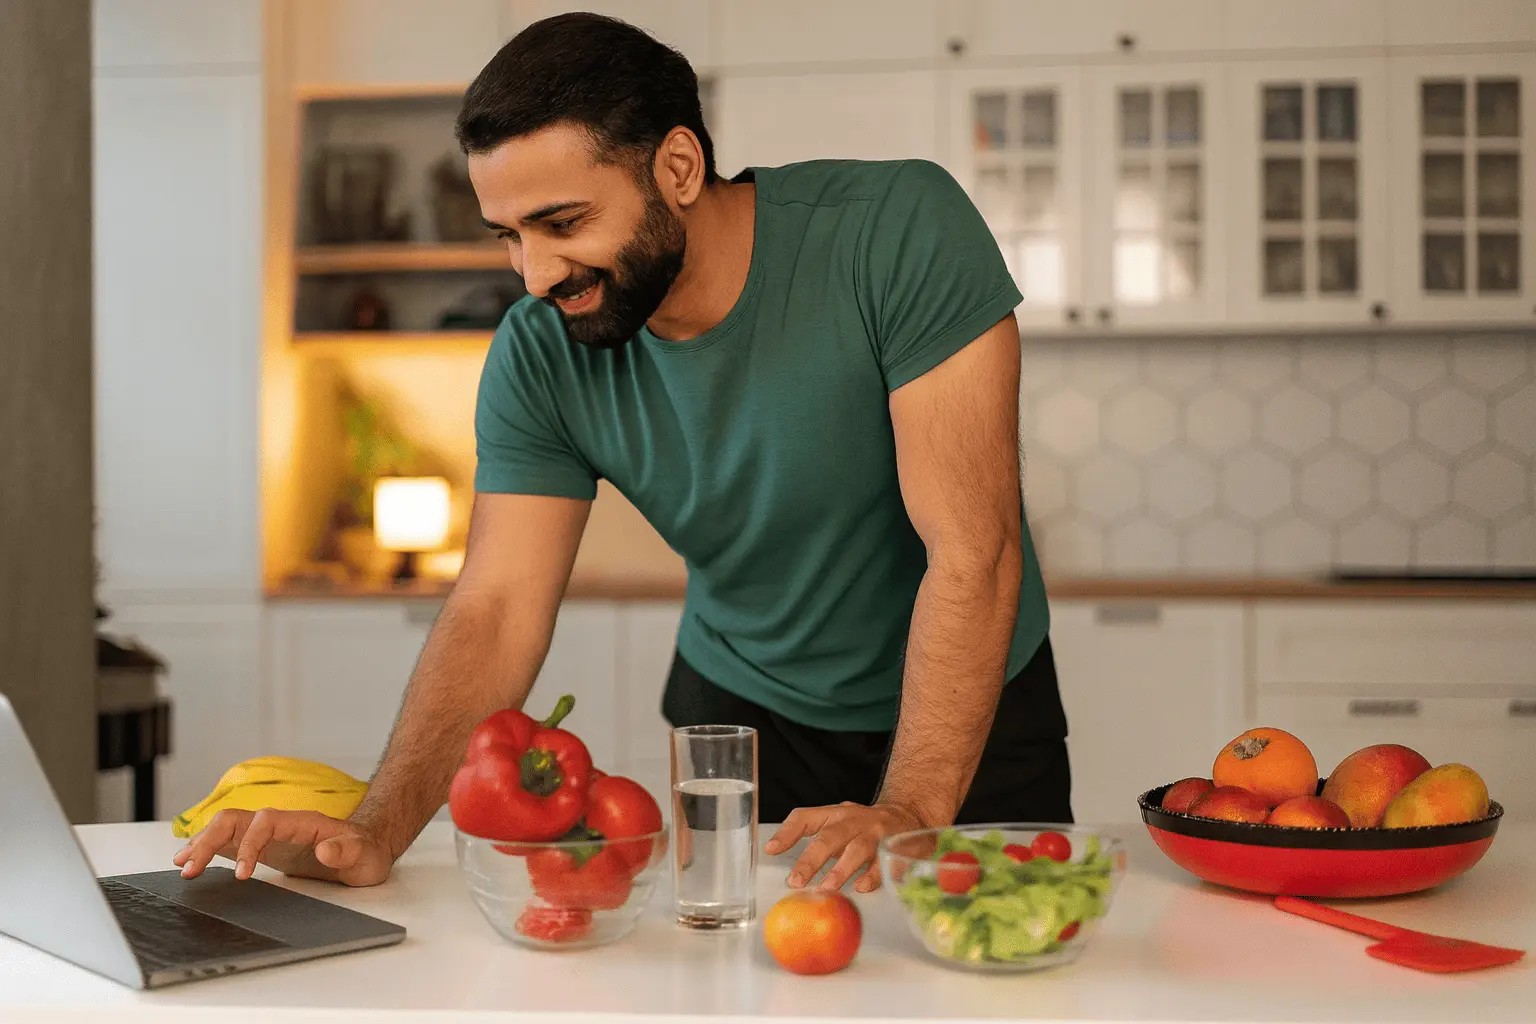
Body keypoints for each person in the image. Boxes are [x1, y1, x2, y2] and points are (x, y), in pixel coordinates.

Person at [175, 12, 1070, 896]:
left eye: (562, 221)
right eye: (510, 234)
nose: (534, 274)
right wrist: (375, 835)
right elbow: (495, 606)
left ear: (677, 167)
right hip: (742, 719)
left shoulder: (895, 231)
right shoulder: (538, 349)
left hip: (970, 713)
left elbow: (973, 551)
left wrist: (910, 804)